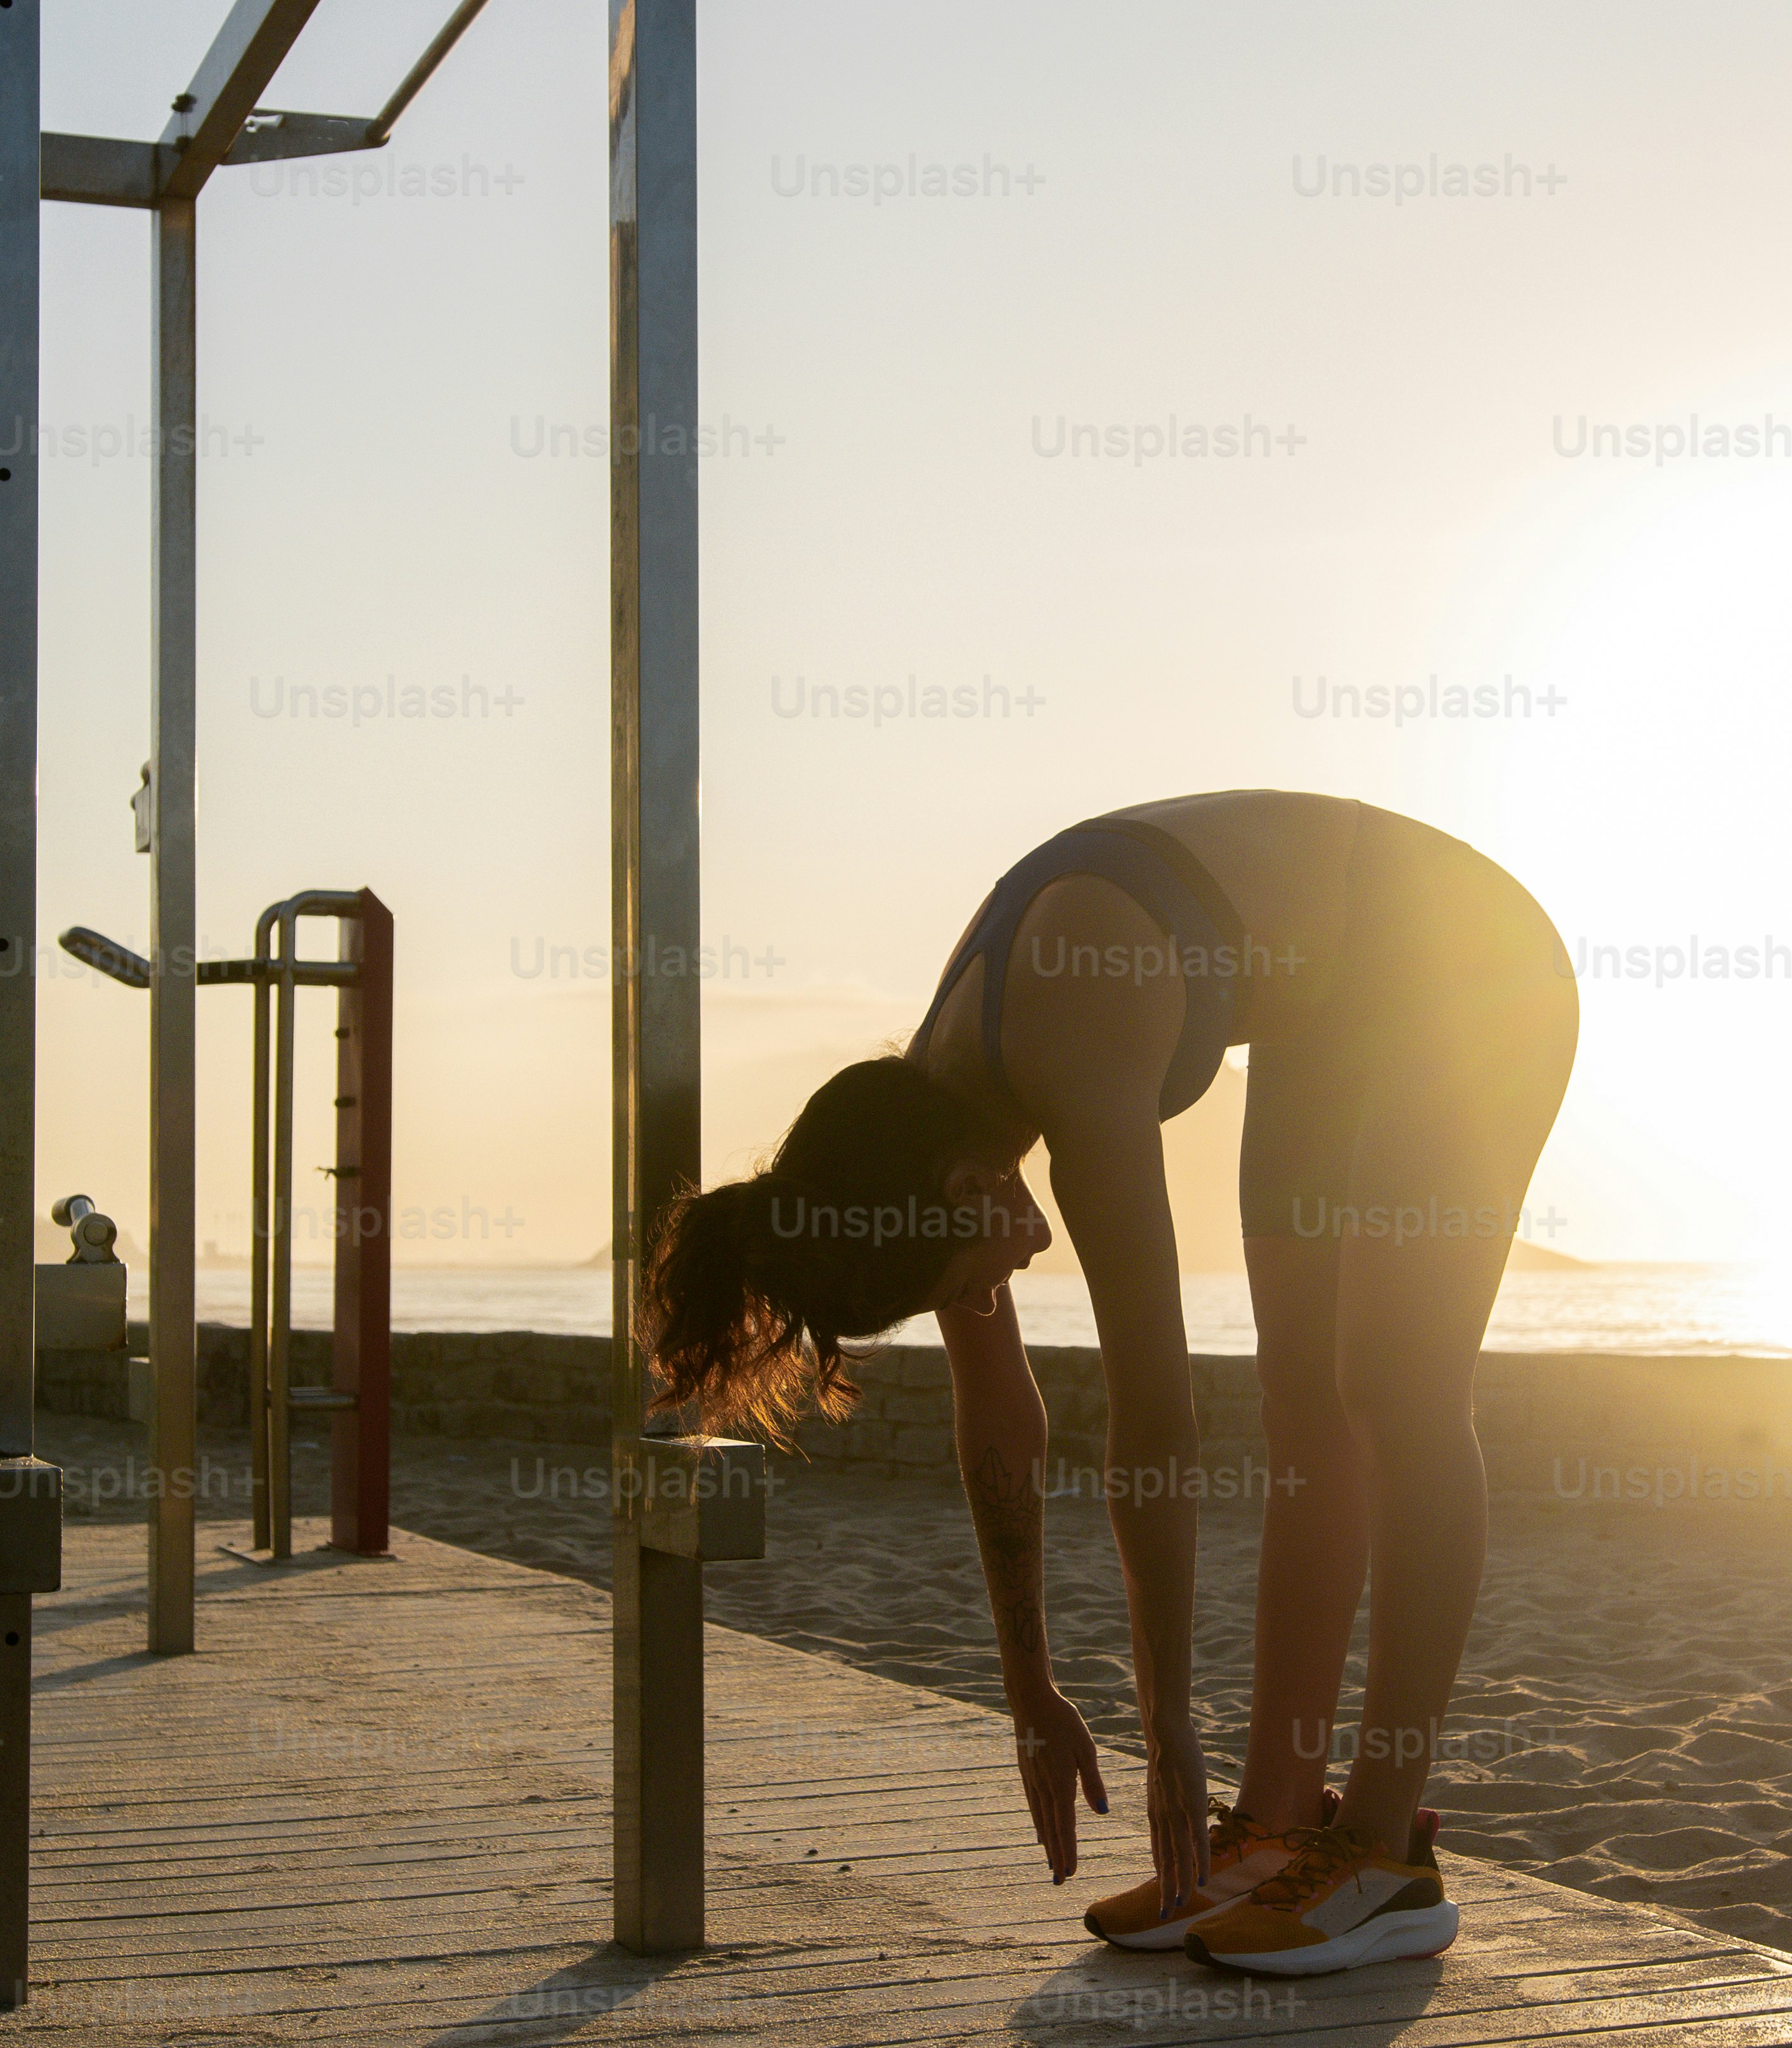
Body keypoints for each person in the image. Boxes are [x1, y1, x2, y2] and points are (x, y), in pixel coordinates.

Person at [644, 790, 1576, 1977]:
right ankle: (1277, 1820)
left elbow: (1158, 1416)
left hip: (1471, 964)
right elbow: (1002, 1420)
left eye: (986, 1262)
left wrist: (1168, 1719)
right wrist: (1030, 1690)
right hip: (1328, 1013)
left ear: (963, 1187)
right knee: (1302, 1399)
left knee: (1393, 1387)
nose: (1018, 1265)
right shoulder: (917, 1131)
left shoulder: (1066, 1045)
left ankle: (1383, 1852)